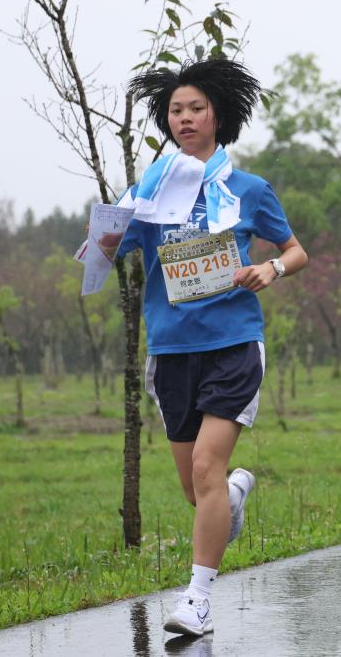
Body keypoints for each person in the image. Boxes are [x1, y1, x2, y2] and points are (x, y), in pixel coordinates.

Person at [116, 59, 308, 636]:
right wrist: (105, 232)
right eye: (176, 110)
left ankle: (197, 600)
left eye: (196, 108)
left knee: (205, 465)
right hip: (171, 348)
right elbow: (112, 243)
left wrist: (269, 269)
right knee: (197, 489)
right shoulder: (150, 188)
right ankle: (231, 496)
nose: (186, 118)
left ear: (218, 115)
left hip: (233, 344)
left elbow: (296, 250)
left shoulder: (247, 189)